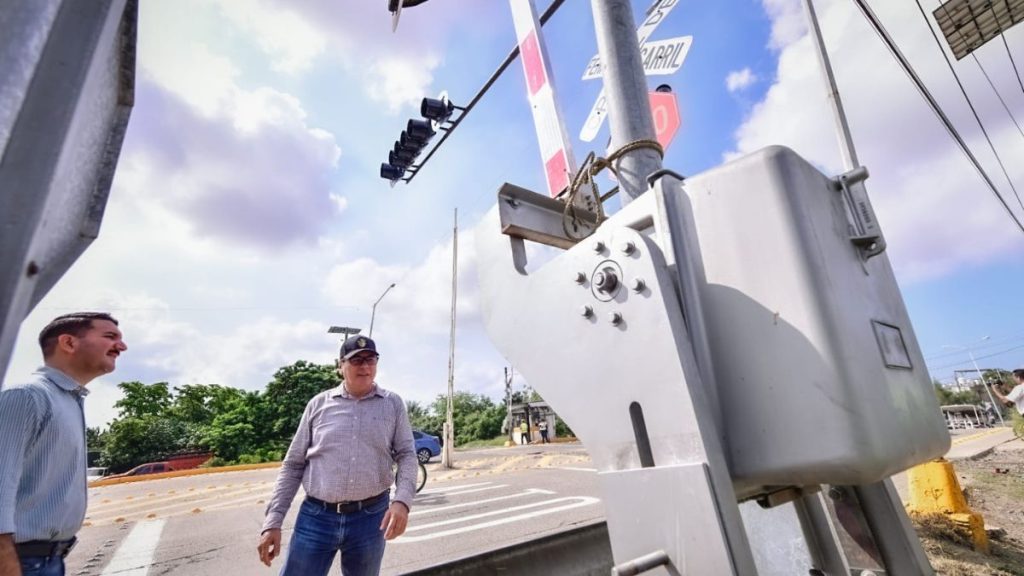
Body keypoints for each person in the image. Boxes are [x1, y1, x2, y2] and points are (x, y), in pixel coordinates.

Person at [257, 335, 417, 576]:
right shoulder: (318, 405)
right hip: (317, 517)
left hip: (371, 518)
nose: (364, 366)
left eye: (370, 359)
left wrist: (402, 502)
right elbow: (292, 465)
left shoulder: (392, 404)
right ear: (341, 365)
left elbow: (407, 455)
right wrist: (273, 522)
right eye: (356, 360)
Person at [0, 312, 127, 576]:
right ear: (68, 343)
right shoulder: (26, 397)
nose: (121, 346)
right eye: (110, 336)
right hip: (21, 563)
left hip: (48, 559)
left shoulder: (69, 401)